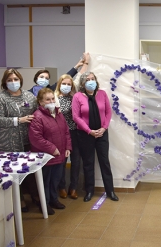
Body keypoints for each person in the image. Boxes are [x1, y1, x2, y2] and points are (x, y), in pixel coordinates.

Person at [0, 68, 38, 212]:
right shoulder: (0, 99)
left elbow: (38, 111)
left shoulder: (29, 96)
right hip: (8, 141)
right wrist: (18, 120)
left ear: (20, 80)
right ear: (5, 82)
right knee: (14, 172)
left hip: (28, 138)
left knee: (31, 170)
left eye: (15, 79)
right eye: (10, 80)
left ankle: (36, 196)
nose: (13, 82)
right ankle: (20, 200)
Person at [72, 72, 119, 202]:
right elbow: (76, 117)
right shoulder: (77, 96)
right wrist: (89, 131)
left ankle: (110, 191)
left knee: (104, 162)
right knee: (88, 163)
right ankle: (89, 191)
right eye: (87, 80)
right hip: (85, 134)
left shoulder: (102, 94)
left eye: (93, 79)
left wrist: (104, 128)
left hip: (102, 134)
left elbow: (108, 112)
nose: (91, 81)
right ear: (82, 83)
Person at [29, 88, 71, 215]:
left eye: (53, 98)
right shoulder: (37, 116)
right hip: (46, 157)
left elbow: (66, 132)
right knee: (45, 182)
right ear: (41, 102)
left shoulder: (59, 113)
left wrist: (68, 147)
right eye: (48, 99)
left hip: (60, 155)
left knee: (55, 180)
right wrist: (52, 149)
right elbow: (36, 138)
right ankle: (44, 203)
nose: (51, 101)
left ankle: (54, 200)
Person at [55, 74, 81, 200]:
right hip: (61, 134)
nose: (66, 86)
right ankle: (62, 187)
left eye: (69, 84)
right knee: (62, 161)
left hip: (75, 132)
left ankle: (74, 187)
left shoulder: (74, 98)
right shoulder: (54, 99)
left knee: (76, 161)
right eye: (64, 83)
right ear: (59, 84)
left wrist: (84, 63)